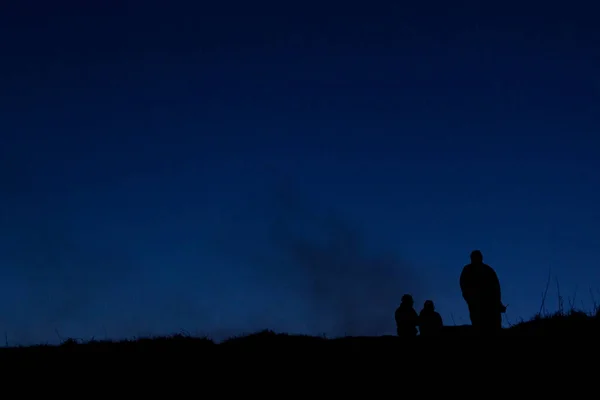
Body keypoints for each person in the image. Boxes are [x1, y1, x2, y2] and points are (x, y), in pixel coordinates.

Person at [459, 250, 507, 335]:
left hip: (490, 303)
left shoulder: (488, 270)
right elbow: (463, 285)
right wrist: (469, 298)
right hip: (476, 303)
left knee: (494, 325)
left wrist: (498, 303)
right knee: (479, 325)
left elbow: (496, 287)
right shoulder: (468, 270)